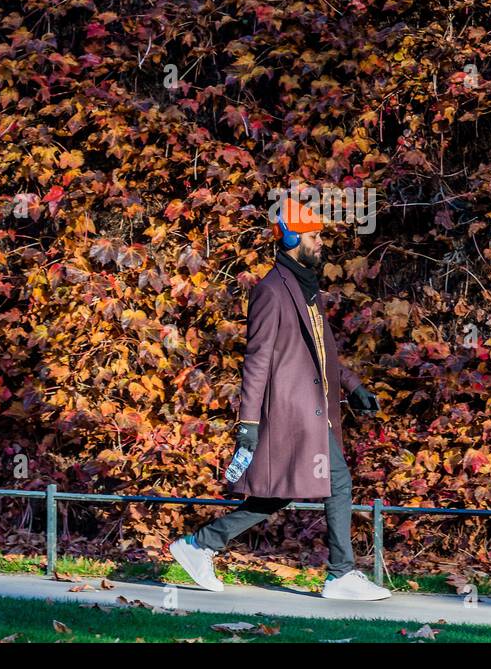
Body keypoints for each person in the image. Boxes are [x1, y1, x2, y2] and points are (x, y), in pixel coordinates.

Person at [168, 193, 391, 599]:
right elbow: (256, 361)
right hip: (290, 413)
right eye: (312, 235)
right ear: (291, 239)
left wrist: (353, 386)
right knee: (335, 482)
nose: (321, 242)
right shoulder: (271, 291)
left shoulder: (308, 289)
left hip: (315, 410)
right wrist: (248, 424)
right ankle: (339, 575)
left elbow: (322, 355)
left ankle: (199, 545)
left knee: (285, 491)